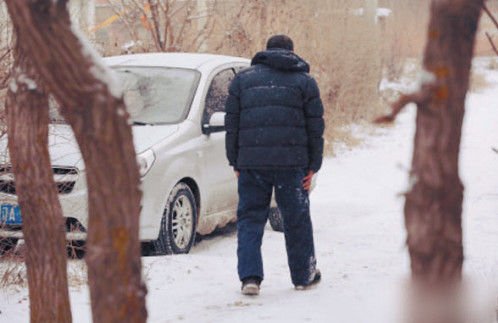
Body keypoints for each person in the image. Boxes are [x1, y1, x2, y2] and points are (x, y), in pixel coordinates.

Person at [225, 35, 325, 296]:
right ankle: (304, 275)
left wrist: (235, 160)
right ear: (292, 53)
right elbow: (316, 127)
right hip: (292, 165)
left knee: (249, 220)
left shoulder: (242, 80)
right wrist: (314, 165)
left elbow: (231, 126)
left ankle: (250, 278)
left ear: (266, 52)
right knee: (297, 220)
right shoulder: (305, 82)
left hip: (252, 165)